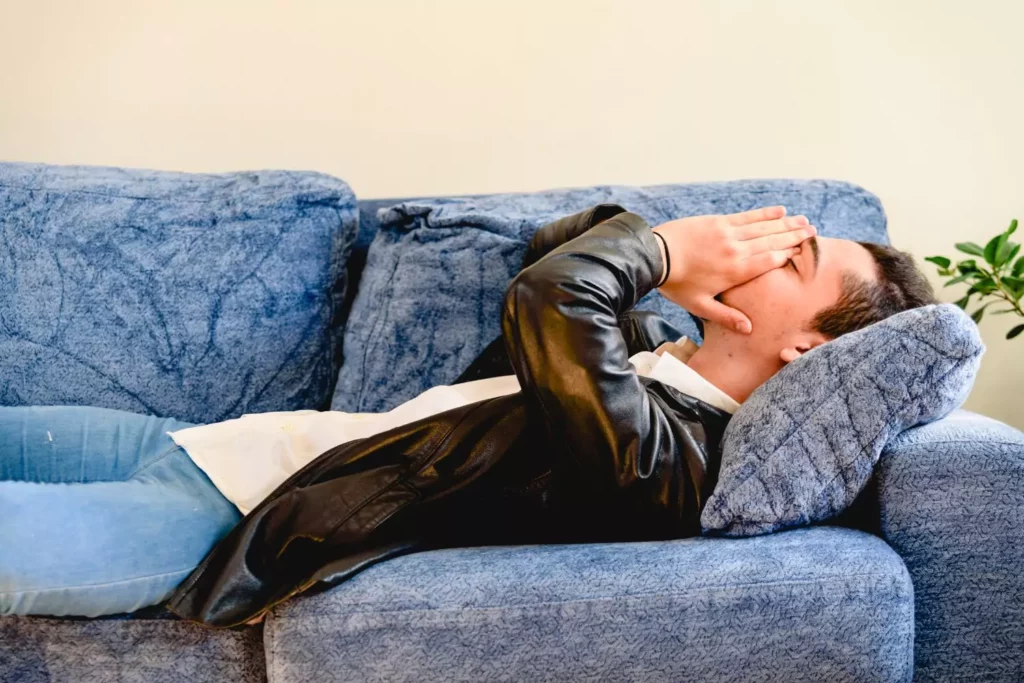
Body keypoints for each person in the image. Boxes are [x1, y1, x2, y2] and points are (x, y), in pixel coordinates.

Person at [0, 204, 936, 625]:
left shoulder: (673, 457)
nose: (764, 244)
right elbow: (558, 248)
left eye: (796, 259)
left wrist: (655, 248)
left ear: (808, 349)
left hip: (223, 515)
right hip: (193, 443)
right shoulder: (650, 350)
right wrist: (666, 252)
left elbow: (548, 299)